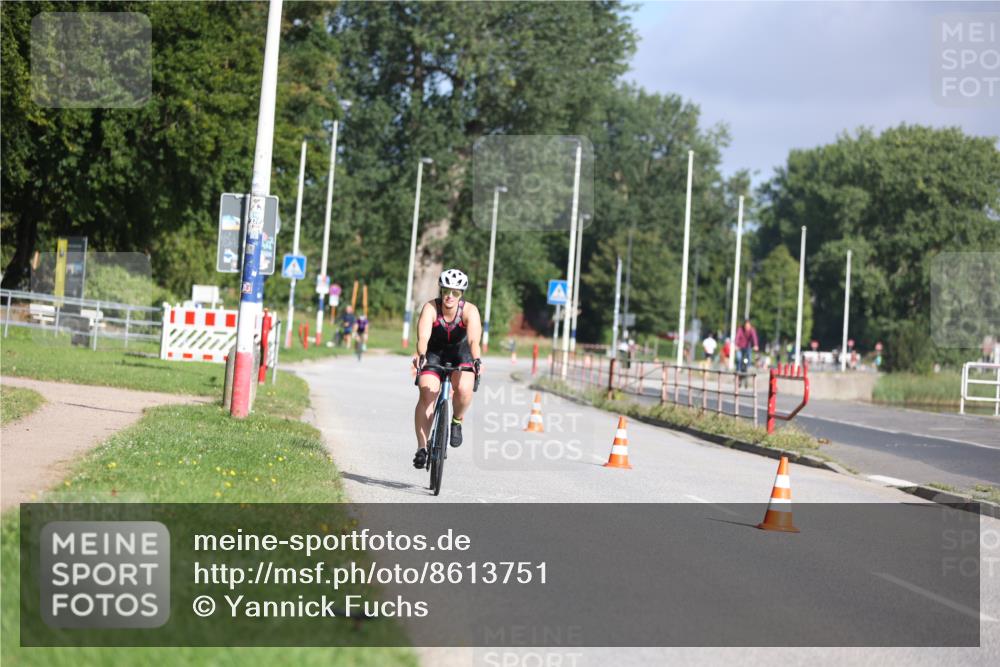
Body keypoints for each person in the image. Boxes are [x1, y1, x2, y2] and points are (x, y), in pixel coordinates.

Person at [411, 268, 483, 469]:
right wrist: (422, 354)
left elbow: (473, 340)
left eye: (456, 293)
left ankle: (457, 421)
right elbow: (423, 337)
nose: (450, 296)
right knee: (426, 394)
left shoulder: (470, 311)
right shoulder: (430, 308)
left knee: (464, 389)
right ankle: (421, 448)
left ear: (461, 295)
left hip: (461, 354)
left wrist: (476, 360)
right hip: (434, 354)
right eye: (446, 291)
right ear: (441, 290)